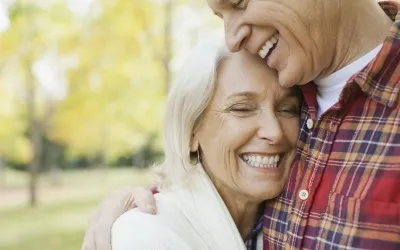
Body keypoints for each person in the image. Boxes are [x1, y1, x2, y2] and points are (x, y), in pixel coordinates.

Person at [82, 0, 400, 249]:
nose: (233, 39)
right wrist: (141, 212)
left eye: (239, 1)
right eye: (242, 108)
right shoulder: (293, 71)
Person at [110, 38, 301, 250]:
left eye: (287, 109)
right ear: (191, 130)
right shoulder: (146, 233)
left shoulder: (294, 225)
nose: (274, 132)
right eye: (242, 108)